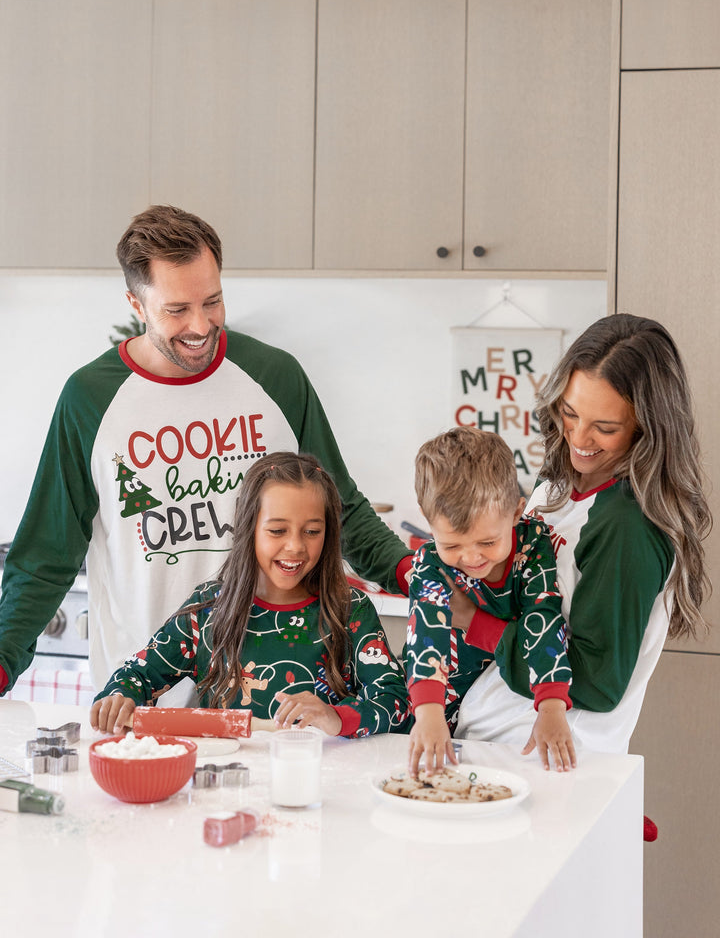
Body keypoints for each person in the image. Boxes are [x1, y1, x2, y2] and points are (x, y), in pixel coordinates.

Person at [0, 205, 412, 695]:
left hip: (270, 697)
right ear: (136, 304)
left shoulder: (275, 377)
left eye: (213, 301)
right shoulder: (90, 399)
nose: (200, 325)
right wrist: (4, 659)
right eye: (176, 310)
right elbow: (45, 555)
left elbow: (339, 506)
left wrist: (416, 575)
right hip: (143, 699)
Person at [455, 313, 712, 755]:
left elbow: (598, 681)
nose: (579, 437)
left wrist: (475, 624)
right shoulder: (555, 486)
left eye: (606, 428)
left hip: (550, 755)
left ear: (648, 428)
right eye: (569, 413)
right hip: (491, 738)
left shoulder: (627, 526)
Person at [91, 452, 410, 738]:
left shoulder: (349, 609)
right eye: (277, 530)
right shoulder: (209, 609)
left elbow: (394, 699)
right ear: (249, 529)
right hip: (224, 784)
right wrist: (119, 697)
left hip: (319, 782)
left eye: (312, 531)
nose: (296, 546)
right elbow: (138, 675)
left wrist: (336, 718)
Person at [405, 427, 575, 776]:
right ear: (428, 521)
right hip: (440, 695)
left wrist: (552, 708)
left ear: (515, 513)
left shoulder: (532, 546)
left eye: (487, 542)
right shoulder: (431, 564)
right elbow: (426, 633)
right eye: (452, 546)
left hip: (501, 698)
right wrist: (429, 714)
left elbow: (542, 620)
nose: (471, 557)